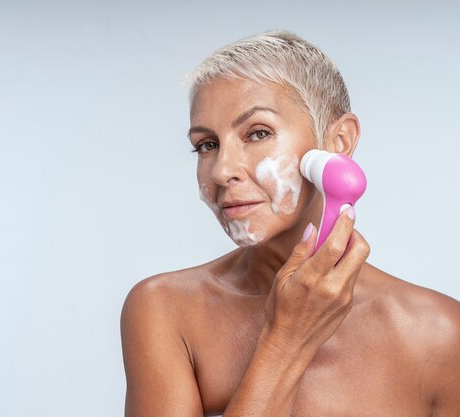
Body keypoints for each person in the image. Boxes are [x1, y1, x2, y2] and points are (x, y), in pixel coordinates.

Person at [120, 31, 460, 417]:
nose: (222, 170)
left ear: (338, 141)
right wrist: (284, 340)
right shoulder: (165, 311)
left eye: (258, 133)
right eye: (206, 144)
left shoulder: (440, 333)